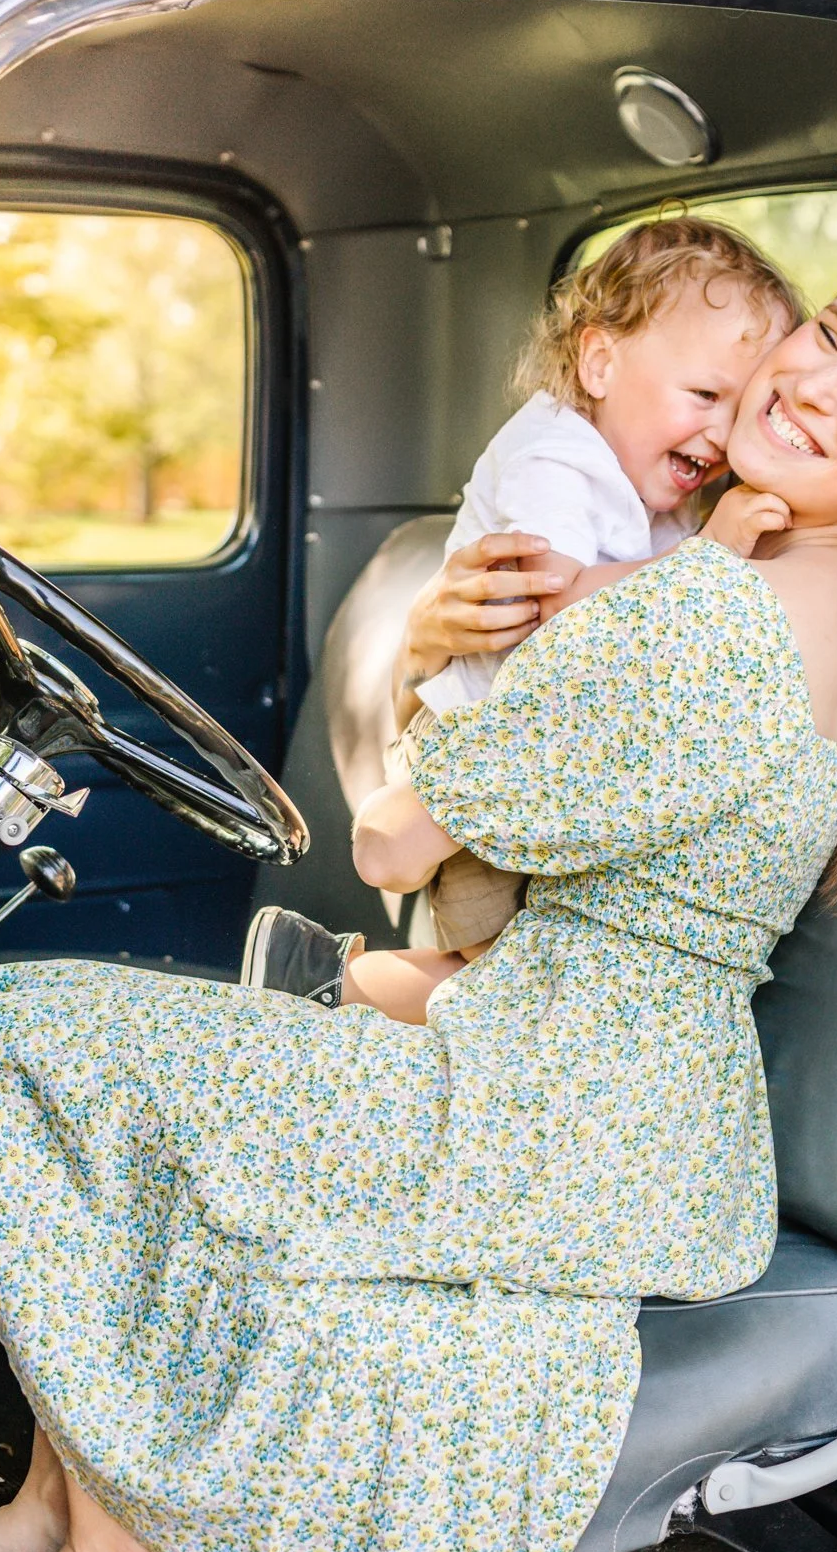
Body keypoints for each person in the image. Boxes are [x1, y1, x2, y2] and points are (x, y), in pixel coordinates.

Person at [0, 241, 837, 1552]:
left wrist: (455, 662)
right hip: (574, 1083)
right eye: (823, 333)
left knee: (6, 1060)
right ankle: (72, 1509)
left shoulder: (722, 617)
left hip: (556, 1114)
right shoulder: (773, 585)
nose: (809, 379)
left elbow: (401, 834)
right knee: (100, 1063)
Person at [243, 216, 799, 1017]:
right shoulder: (555, 455)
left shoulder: (659, 489)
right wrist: (712, 552)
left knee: (539, 967)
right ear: (600, 361)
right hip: (480, 748)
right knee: (500, 966)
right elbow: (551, 597)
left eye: (740, 405)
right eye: (704, 395)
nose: (719, 430)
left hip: (542, 755)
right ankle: (319, 984)